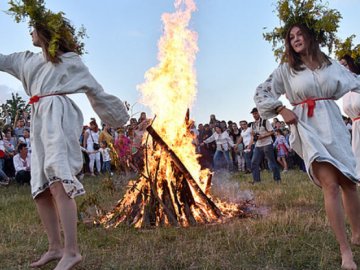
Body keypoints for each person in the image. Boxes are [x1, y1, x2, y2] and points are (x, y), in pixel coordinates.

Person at [0, 2, 129, 269]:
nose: (30, 34)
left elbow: (96, 91)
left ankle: (72, 251)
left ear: (46, 31)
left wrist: (119, 119)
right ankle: (55, 247)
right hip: (38, 121)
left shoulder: (70, 61)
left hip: (58, 117)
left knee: (58, 181)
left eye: (33, 29)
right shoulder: (26, 60)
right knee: (41, 189)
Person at [255, 23, 360, 270]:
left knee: (349, 184)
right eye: (291, 37)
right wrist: (281, 109)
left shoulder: (330, 64)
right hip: (308, 127)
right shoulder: (286, 70)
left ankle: (357, 234)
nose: (296, 39)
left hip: (333, 124)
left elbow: (356, 80)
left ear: (311, 36)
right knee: (330, 185)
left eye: (300, 34)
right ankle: (346, 253)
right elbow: (262, 92)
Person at [249, 107, 281, 183]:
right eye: (253, 114)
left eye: (256, 113)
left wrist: (262, 136)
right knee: (254, 162)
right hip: (258, 145)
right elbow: (253, 136)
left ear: (259, 113)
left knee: (271, 162)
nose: (254, 115)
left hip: (267, 144)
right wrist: (250, 144)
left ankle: (277, 179)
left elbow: (271, 132)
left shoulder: (265, 121)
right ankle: (256, 181)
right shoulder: (252, 124)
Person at [341, 54, 360, 176]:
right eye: (340, 66)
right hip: (356, 124)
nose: (343, 68)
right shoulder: (344, 89)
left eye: (345, 65)